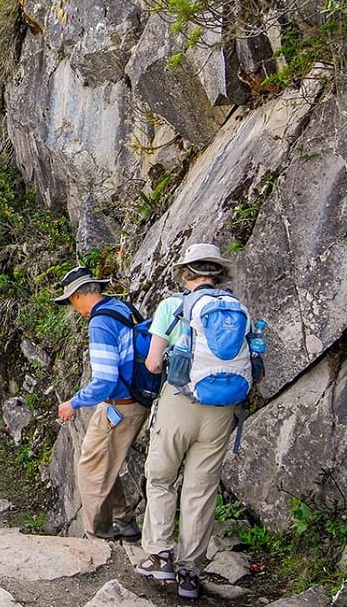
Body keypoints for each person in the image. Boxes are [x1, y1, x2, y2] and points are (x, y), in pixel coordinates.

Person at [135, 243, 240, 599]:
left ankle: (159, 556)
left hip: (179, 403)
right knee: (201, 490)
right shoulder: (235, 308)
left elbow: (152, 363)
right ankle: (190, 574)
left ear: (186, 274)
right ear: (218, 274)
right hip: (222, 411)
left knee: (162, 478)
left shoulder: (172, 306)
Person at [54, 266, 150, 542]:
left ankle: (98, 537)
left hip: (119, 405)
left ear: (79, 295)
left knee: (89, 470)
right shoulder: (122, 308)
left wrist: (74, 402)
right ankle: (125, 522)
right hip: (137, 399)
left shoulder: (99, 322)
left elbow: (105, 380)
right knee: (104, 463)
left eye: (72, 301)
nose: (75, 308)